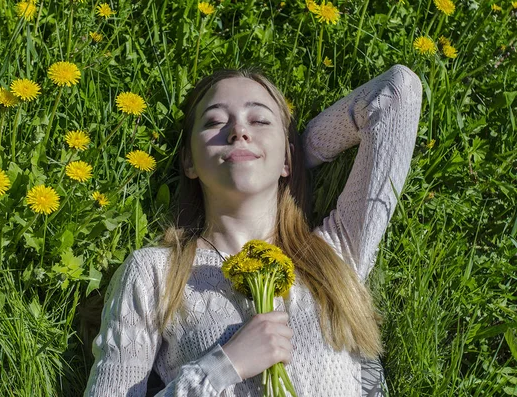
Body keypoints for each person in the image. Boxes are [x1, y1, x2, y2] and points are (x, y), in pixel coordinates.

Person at [84, 63, 423, 396]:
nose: (238, 131)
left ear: (287, 160)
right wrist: (223, 366)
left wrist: (301, 153)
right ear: (189, 161)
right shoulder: (154, 273)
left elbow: (396, 92)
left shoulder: (334, 255)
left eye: (260, 120)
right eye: (215, 121)